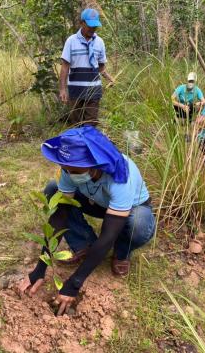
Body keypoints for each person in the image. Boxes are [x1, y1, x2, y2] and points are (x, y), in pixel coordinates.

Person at [18, 126, 155, 315]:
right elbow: (60, 216)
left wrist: (74, 284)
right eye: (66, 168)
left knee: (138, 223)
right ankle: (85, 244)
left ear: (94, 163)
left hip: (132, 209)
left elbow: (108, 235)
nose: (68, 172)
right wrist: (40, 268)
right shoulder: (70, 168)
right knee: (53, 190)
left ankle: (121, 253)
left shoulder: (121, 176)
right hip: (96, 202)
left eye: (74, 169)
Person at [59, 8, 114, 126]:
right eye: (90, 25)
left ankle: (89, 144)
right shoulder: (71, 41)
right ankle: (78, 144)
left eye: (95, 26)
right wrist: (63, 89)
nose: (92, 29)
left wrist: (109, 77)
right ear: (82, 23)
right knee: (76, 124)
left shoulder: (100, 42)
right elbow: (65, 66)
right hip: (75, 91)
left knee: (91, 124)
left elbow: (101, 67)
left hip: (94, 90)